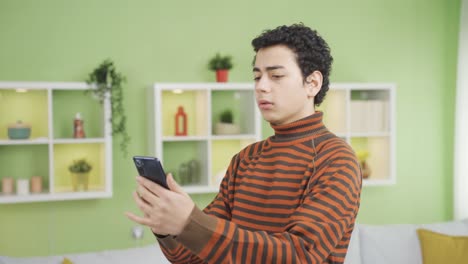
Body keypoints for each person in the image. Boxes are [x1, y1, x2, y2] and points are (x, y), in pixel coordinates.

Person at [126, 23, 362, 264]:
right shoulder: (246, 159)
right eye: (257, 76)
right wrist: (168, 224)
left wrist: (190, 221)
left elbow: (298, 255)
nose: (261, 86)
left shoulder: (337, 160)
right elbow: (191, 257)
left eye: (276, 76)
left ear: (312, 83)